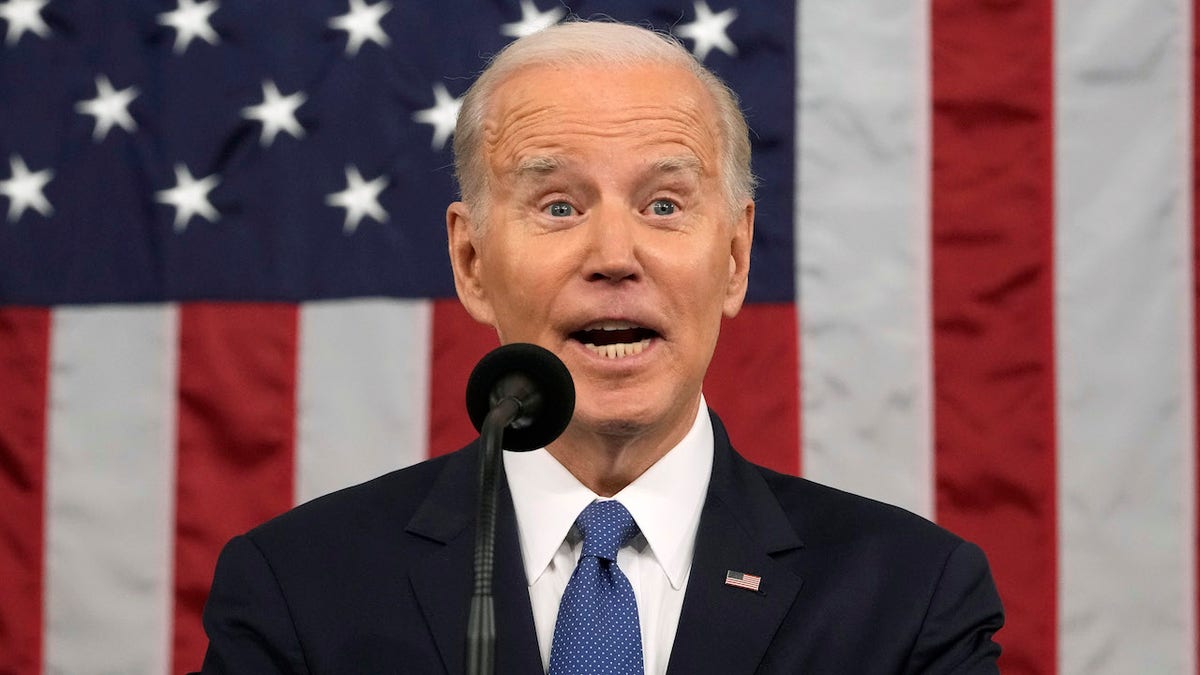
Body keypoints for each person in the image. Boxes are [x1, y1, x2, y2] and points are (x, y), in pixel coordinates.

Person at [196, 20, 1003, 675]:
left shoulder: (908, 600)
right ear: (471, 262)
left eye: (662, 203)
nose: (614, 255)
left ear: (734, 257)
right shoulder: (299, 592)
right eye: (556, 206)